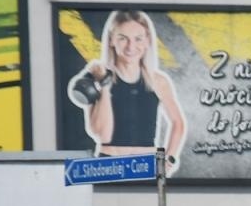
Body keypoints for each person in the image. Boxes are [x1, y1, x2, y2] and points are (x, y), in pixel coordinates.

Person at [69, 9, 186, 169]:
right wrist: (104, 84)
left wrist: (170, 159)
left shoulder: (159, 81)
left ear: (147, 41)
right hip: (109, 165)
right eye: (123, 38)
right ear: (111, 40)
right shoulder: (97, 77)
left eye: (138, 39)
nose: (131, 46)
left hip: (146, 166)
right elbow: (103, 135)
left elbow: (178, 123)